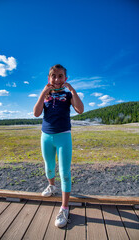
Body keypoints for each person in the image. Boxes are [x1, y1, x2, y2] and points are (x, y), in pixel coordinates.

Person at [33, 64, 84, 228]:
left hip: (63, 137)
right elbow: (36, 113)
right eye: (53, 76)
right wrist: (43, 92)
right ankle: (52, 186)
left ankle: (64, 208)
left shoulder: (68, 95)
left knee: (65, 172)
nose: (56, 79)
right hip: (46, 137)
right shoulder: (46, 95)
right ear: (49, 78)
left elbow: (80, 110)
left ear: (65, 79)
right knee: (49, 167)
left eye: (60, 76)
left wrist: (73, 90)